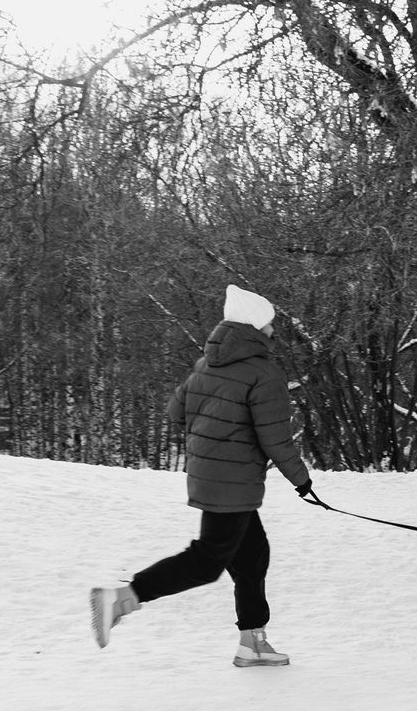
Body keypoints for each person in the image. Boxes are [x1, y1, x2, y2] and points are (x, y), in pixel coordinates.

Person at [90, 285, 317, 667]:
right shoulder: (264, 374)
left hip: (210, 476)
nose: (274, 332)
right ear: (256, 328)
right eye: (270, 325)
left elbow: (175, 412)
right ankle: (125, 597)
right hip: (233, 483)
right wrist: (302, 481)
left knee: (252, 554)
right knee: (208, 559)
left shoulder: (207, 364)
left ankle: (252, 643)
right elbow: (275, 438)